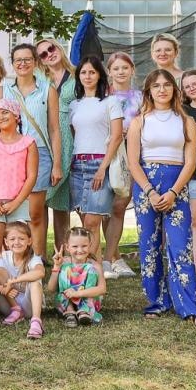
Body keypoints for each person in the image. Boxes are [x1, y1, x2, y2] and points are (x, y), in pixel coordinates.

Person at [127, 69, 196, 329]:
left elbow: (191, 162)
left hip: (177, 185)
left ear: (175, 89)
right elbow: (133, 161)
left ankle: (189, 306)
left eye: (167, 85)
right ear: (148, 91)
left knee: (179, 247)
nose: (161, 90)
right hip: (146, 186)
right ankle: (157, 302)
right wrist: (150, 192)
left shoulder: (186, 121)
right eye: (156, 86)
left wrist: (174, 191)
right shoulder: (139, 121)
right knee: (149, 247)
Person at [67, 56, 124, 269]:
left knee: (93, 220)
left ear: (99, 74)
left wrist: (103, 169)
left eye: (92, 72)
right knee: (84, 222)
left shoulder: (111, 102)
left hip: (100, 164)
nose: (87, 76)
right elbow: (75, 134)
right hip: (77, 165)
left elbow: (116, 137)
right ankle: (95, 265)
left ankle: (101, 264)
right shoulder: (74, 105)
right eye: (83, 72)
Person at [2, 43, 56, 257]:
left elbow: (53, 128)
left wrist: (57, 163)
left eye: (27, 59)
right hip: (11, 154)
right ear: (13, 64)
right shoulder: (4, 89)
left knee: (35, 212)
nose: (22, 63)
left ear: (35, 62)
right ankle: (14, 259)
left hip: (39, 151)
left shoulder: (47, 88)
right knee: (14, 211)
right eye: (18, 60)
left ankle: (38, 259)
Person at [0, 98, 38, 266]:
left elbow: (31, 176)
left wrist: (17, 202)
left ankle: (16, 284)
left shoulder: (28, 143)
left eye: (5, 112)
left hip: (18, 202)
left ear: (16, 116)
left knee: (17, 248)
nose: (1, 117)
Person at [35, 37, 77, 255]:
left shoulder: (79, 75)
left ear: (59, 47)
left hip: (70, 139)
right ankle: (39, 255)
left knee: (61, 203)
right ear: (40, 61)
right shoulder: (39, 79)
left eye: (51, 48)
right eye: (43, 54)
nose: (49, 54)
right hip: (45, 138)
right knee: (40, 199)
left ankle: (63, 253)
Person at [103, 52, 142, 277]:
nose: (120, 72)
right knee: (104, 205)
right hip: (107, 151)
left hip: (130, 152)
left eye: (124, 68)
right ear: (109, 72)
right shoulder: (102, 95)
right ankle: (112, 258)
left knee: (119, 205)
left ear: (132, 70)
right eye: (116, 68)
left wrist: (132, 130)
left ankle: (111, 257)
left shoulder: (140, 97)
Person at [0, 221, 45, 339]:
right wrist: (2, 288)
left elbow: (40, 272)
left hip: (29, 306)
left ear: (29, 241)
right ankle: (16, 309)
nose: (16, 242)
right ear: (6, 242)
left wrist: (14, 281)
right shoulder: (3, 257)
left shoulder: (33, 258)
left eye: (21, 238)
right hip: (9, 306)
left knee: (35, 281)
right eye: (12, 239)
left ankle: (36, 321)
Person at [55, 226, 106, 326]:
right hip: (66, 299)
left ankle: (84, 311)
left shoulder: (95, 265)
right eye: (75, 246)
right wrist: (56, 266)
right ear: (67, 247)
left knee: (91, 269)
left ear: (90, 246)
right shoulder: (63, 263)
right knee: (65, 268)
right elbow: (51, 288)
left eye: (84, 246)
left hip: (88, 299)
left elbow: (102, 289)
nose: (80, 250)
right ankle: (70, 312)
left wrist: (77, 294)